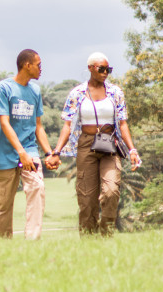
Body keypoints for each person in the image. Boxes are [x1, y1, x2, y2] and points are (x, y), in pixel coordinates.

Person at [48, 52, 141, 236]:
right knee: (86, 197)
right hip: (86, 144)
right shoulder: (77, 93)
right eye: (102, 69)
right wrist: (56, 151)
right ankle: (88, 239)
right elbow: (67, 125)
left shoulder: (115, 92)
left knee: (111, 190)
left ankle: (106, 233)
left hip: (110, 144)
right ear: (90, 68)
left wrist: (132, 150)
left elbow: (123, 124)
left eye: (109, 69)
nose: (105, 72)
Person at [0, 48, 60, 239]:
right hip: (5, 152)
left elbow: (38, 127)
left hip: (30, 150)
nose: (41, 69)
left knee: (37, 188)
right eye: (38, 65)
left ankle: (32, 240)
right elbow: (4, 123)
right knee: (4, 204)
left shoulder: (35, 91)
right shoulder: (3, 88)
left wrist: (49, 153)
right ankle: (5, 244)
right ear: (26, 65)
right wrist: (20, 152)